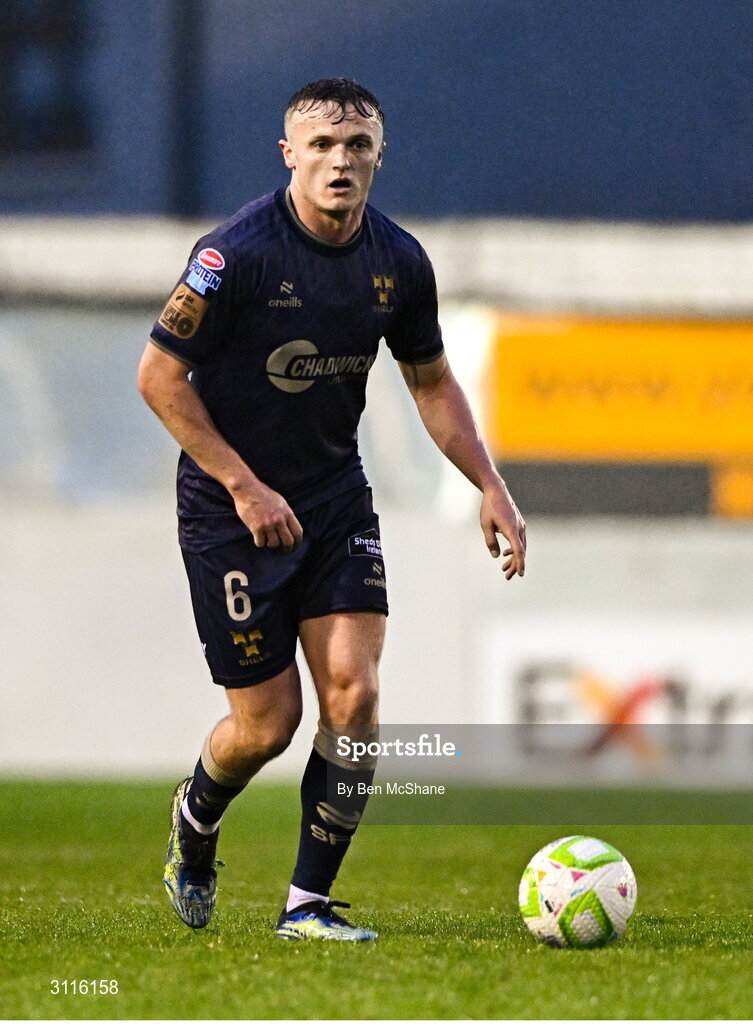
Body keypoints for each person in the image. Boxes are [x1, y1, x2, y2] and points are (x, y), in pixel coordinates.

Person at [138, 77, 526, 942]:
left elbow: (431, 383)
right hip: (227, 506)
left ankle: (305, 906)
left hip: (331, 497)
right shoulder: (231, 254)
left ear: (378, 156)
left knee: (353, 696)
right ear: (289, 156)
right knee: (265, 726)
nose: (339, 161)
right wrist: (244, 485)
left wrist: (490, 485)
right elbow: (158, 378)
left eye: (356, 145)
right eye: (320, 146)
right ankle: (196, 820)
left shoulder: (399, 262)